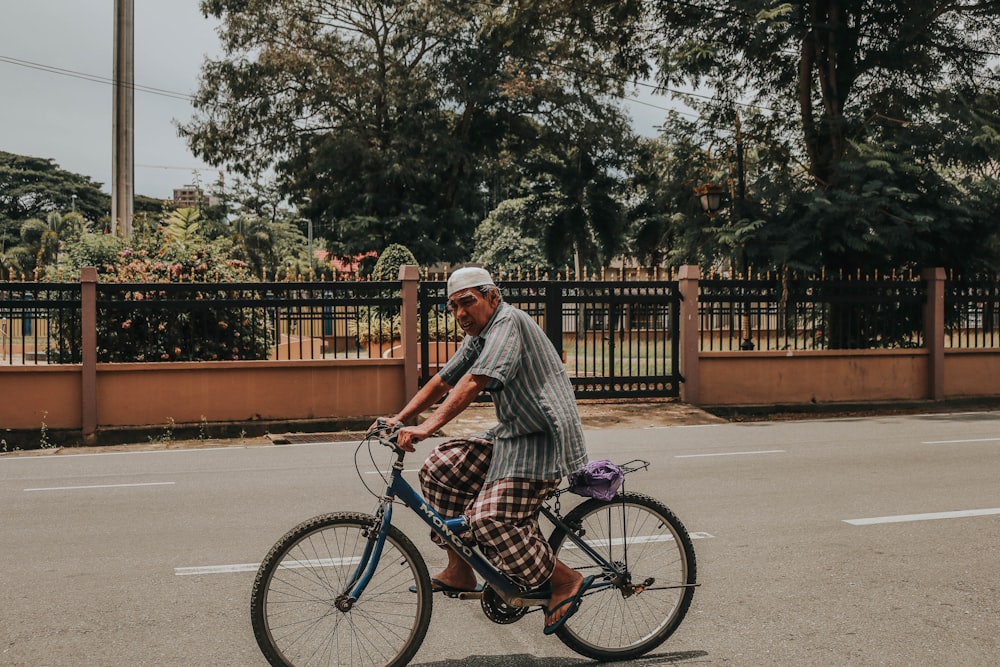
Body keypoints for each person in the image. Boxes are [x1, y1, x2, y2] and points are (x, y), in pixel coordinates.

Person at [377, 266, 594, 634]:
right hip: (511, 433)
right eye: (453, 307)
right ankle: (460, 570)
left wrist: (428, 427)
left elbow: (477, 380)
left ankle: (564, 579)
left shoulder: (508, 323)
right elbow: (445, 378)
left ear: (493, 297)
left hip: (542, 438)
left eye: (468, 303)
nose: (460, 314)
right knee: (438, 469)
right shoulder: (481, 333)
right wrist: (400, 418)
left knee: (487, 518)